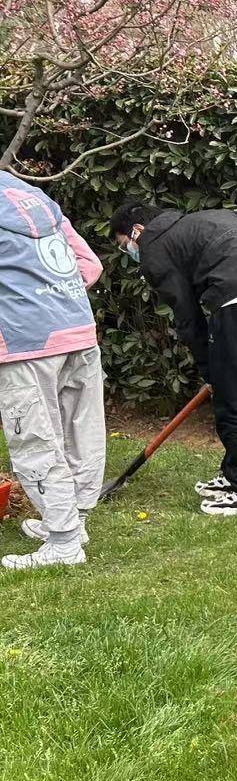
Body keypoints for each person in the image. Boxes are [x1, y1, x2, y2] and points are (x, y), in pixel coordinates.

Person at [110, 199, 237, 516]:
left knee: (235, 398)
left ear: (137, 230)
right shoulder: (210, 215)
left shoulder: (154, 249)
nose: (130, 253)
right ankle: (235, 475)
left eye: (125, 246)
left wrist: (210, 369)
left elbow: (187, 315)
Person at [0, 171, 107, 571]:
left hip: (24, 340)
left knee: (35, 438)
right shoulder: (30, 194)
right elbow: (90, 266)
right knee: (81, 431)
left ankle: (63, 544)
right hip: (77, 330)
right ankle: (71, 523)